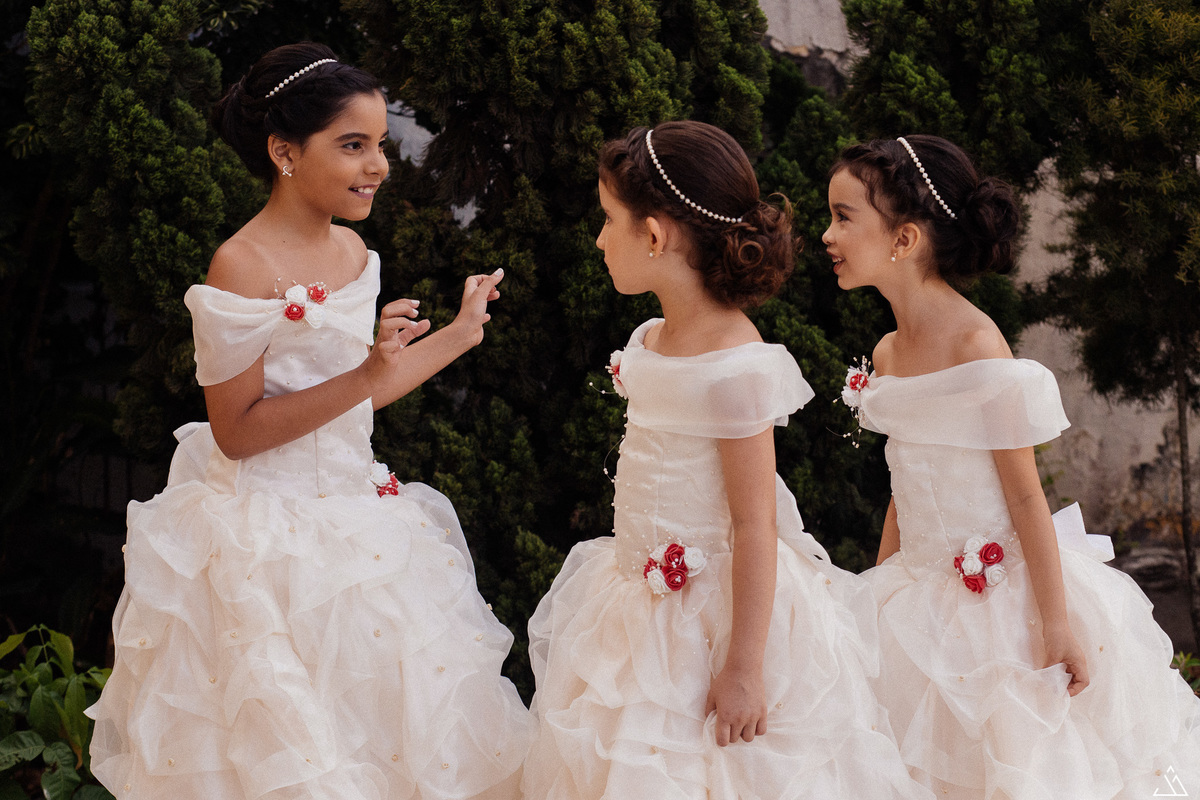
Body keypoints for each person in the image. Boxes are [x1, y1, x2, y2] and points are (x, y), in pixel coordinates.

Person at [86, 42, 532, 800]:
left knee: (397, 745)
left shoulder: (356, 251)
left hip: (361, 529)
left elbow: (354, 402)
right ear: (284, 151)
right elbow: (239, 430)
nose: (377, 166)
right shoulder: (243, 264)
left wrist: (458, 334)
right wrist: (364, 370)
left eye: (379, 146)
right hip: (266, 539)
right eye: (352, 146)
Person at [521, 120, 931, 800]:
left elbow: (753, 523)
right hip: (635, 607)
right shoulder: (651, 337)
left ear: (654, 236)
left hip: (720, 622)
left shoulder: (735, 364)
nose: (597, 240)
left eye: (607, 221)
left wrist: (744, 665)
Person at [825, 134, 1200, 798]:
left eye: (843, 216)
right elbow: (908, 482)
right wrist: (874, 591)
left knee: (1012, 758)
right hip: (916, 594)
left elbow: (1025, 497)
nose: (828, 235)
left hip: (998, 599)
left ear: (905, 240)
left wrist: (1054, 624)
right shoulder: (886, 352)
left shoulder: (977, 344)